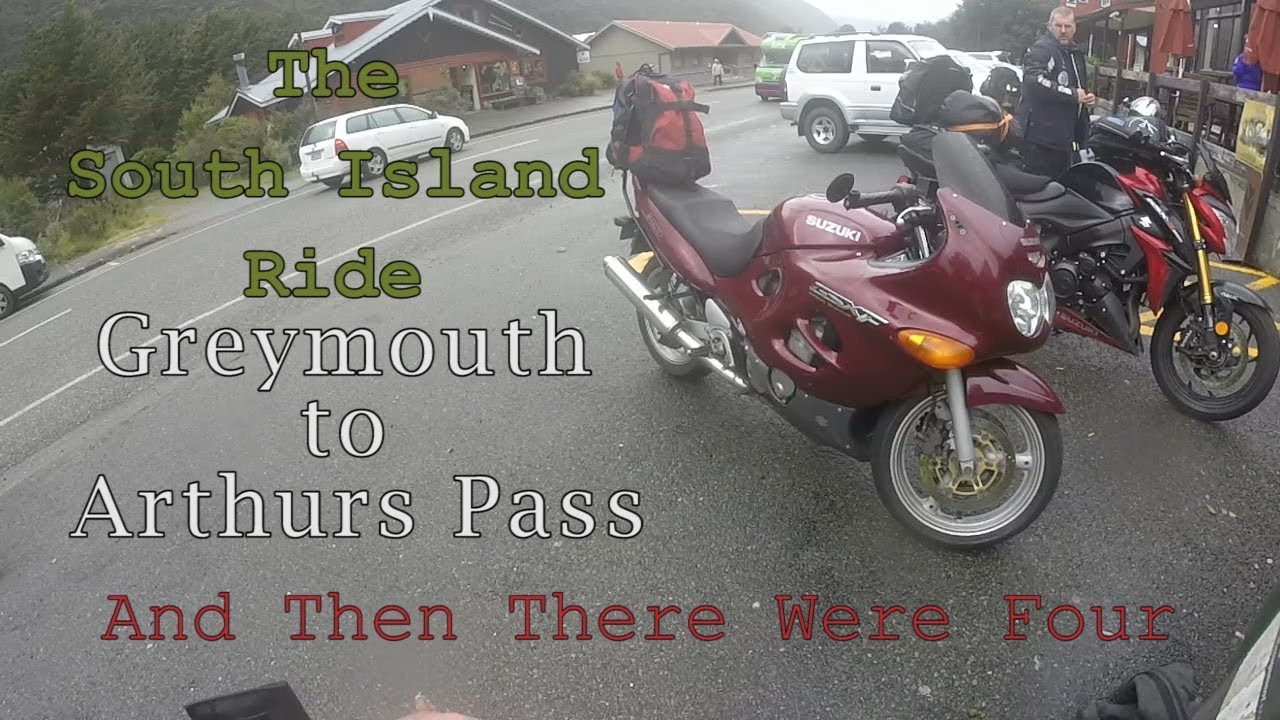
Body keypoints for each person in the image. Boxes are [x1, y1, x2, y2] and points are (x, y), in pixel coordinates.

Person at [1015, 6, 1096, 178]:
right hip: (1041, 141)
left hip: (1066, 140)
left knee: (1063, 187)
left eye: (1068, 26)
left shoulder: (1075, 54)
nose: (1063, 30)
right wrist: (1072, 95)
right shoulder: (1041, 50)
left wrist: (1086, 98)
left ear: (1074, 27)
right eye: (1059, 26)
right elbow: (1034, 82)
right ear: (1050, 26)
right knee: (1042, 187)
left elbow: (1079, 88)